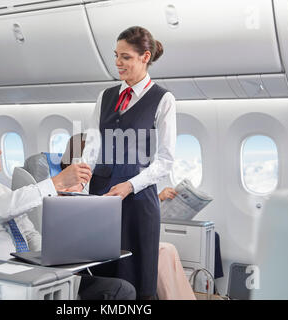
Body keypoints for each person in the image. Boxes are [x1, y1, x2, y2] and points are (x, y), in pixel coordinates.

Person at [0, 121, 135, 300]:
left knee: (120, 289)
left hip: (31, 271)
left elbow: (28, 233)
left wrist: (53, 259)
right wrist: (55, 182)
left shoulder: (2, 190)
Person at [82, 26, 177, 299]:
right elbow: (93, 144)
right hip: (101, 196)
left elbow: (165, 159)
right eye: (116, 56)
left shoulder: (163, 99)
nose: (118, 63)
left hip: (138, 202)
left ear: (145, 57)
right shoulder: (105, 96)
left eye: (126, 57)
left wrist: (129, 185)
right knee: (103, 275)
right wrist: (80, 178)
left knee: (137, 277)